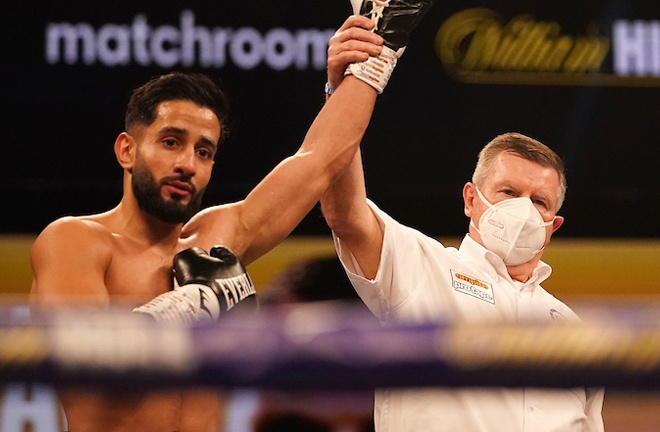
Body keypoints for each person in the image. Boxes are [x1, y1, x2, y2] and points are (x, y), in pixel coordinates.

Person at [28, 1, 435, 430]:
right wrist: (189, 305)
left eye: (203, 151)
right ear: (127, 150)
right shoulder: (75, 241)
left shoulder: (215, 239)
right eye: (171, 142)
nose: (187, 162)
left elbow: (318, 161)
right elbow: (90, 381)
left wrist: (370, 58)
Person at [320, 128, 606, 429]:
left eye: (538, 202)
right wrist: (343, 95)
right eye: (508, 192)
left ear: (553, 226)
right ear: (471, 199)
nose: (523, 210)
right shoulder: (420, 266)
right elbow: (346, 214)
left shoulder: (573, 326)